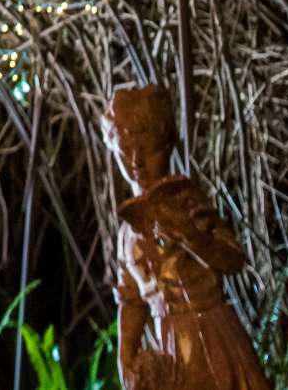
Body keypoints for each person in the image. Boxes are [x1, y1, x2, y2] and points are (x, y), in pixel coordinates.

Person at [103, 83, 271, 390]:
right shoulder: (128, 230)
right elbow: (131, 298)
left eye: (148, 148)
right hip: (167, 345)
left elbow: (232, 259)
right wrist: (126, 356)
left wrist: (191, 237)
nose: (136, 162)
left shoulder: (187, 201)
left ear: (167, 145)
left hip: (211, 335)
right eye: (126, 152)